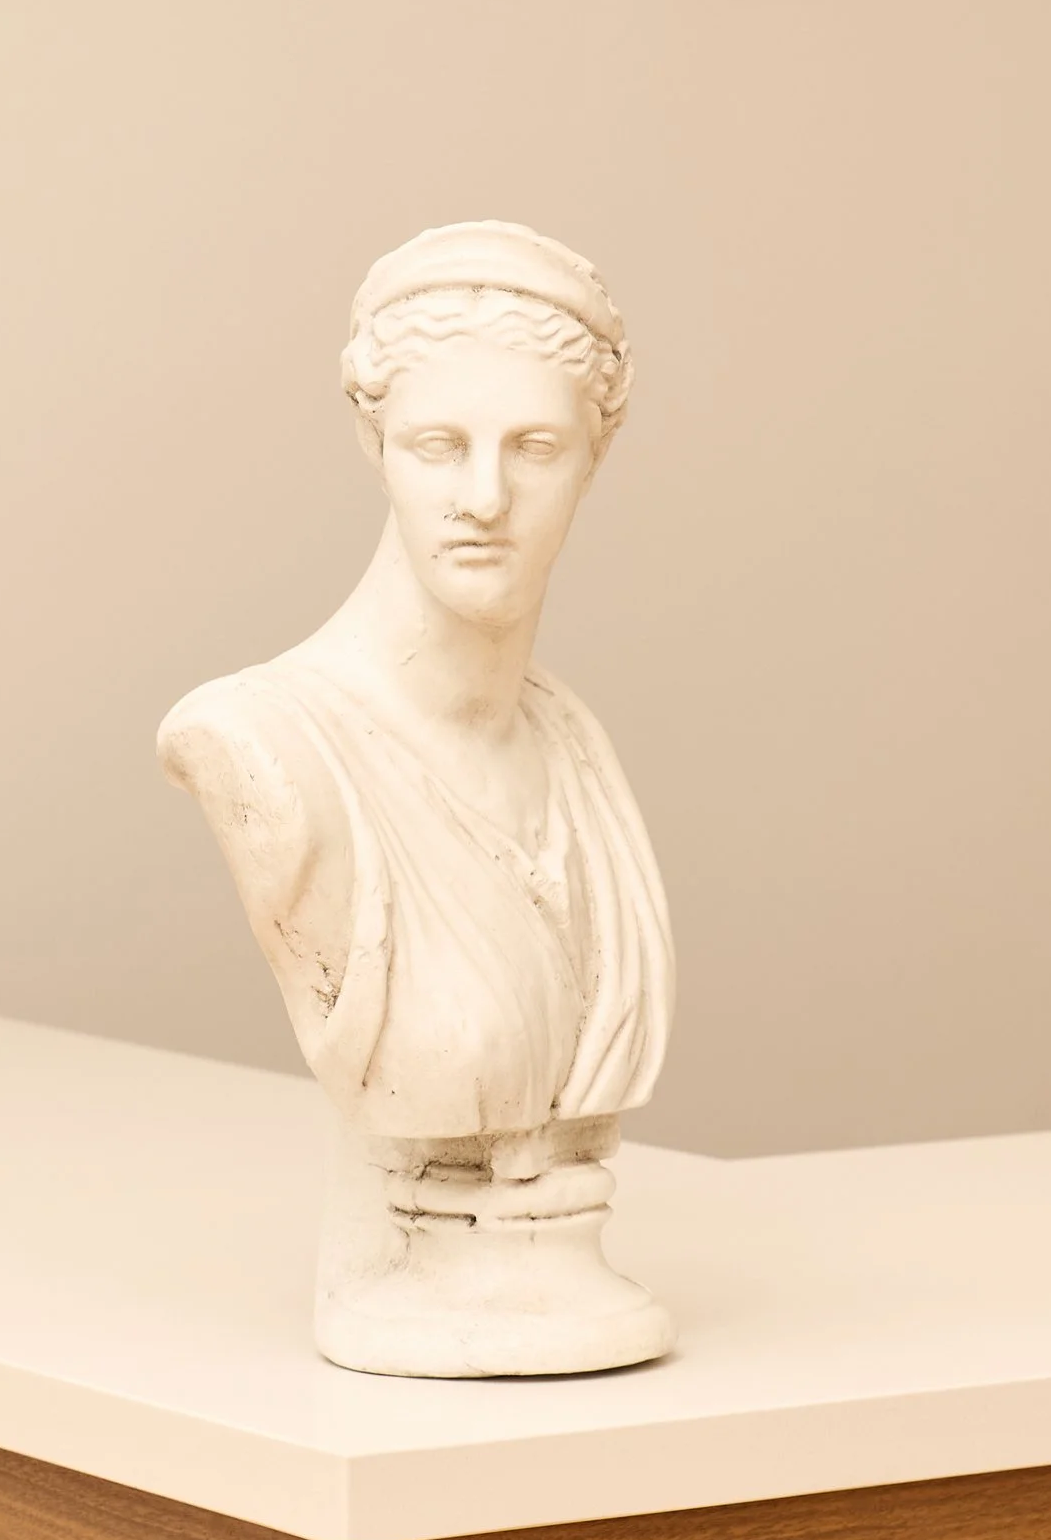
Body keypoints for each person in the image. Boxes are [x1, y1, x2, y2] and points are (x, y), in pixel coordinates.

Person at [159, 219, 675, 1376]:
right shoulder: (263, 744)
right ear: (374, 442)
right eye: (439, 445)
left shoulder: (575, 750)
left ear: (593, 456)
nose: (484, 496)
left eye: (534, 446)